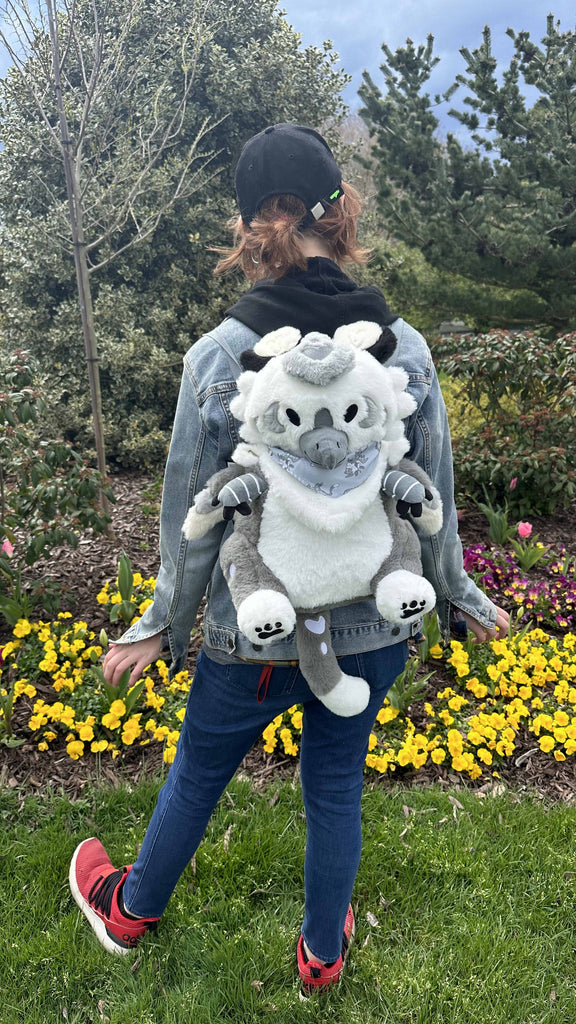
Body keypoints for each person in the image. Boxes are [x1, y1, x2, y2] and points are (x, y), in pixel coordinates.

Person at [69, 123, 509, 995]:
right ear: (342, 213)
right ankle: (321, 955)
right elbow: (436, 494)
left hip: (254, 627)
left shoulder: (222, 356)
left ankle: (128, 911)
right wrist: (458, 592)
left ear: (245, 230)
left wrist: (159, 623)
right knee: (335, 782)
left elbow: (193, 515)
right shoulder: (403, 346)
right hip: (374, 624)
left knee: (200, 768)